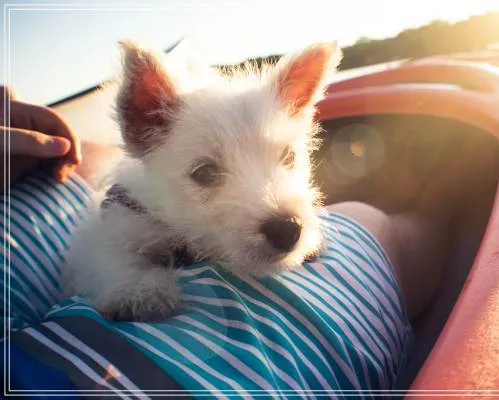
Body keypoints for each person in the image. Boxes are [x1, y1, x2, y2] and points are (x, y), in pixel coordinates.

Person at [2, 85, 448, 397]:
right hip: (95, 374)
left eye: (286, 157)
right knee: (371, 221)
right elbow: (101, 255)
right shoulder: (130, 209)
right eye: (207, 173)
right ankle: (448, 193)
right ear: (142, 130)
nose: (271, 201)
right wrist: (126, 278)